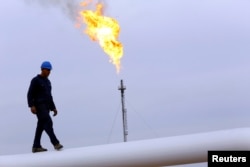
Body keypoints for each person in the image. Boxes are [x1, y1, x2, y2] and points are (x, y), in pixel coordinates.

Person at [27, 61, 63, 153]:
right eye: (47, 70)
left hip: (46, 107)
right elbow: (30, 93)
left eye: (50, 70)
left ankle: (36, 146)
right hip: (39, 106)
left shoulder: (48, 82)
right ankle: (55, 143)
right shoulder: (35, 80)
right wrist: (31, 105)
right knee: (48, 122)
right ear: (42, 69)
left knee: (41, 126)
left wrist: (53, 108)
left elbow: (49, 96)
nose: (49, 72)